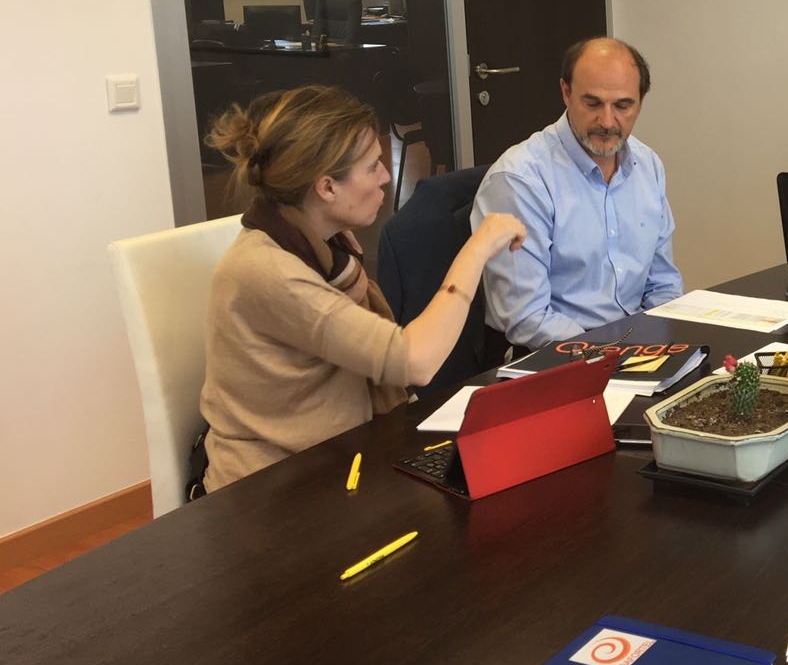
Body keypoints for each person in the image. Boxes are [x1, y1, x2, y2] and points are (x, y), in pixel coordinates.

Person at [200, 85, 527, 492]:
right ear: (327, 188)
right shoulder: (271, 273)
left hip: (343, 454)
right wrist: (476, 250)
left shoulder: (327, 247)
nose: (386, 176)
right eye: (372, 167)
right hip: (275, 487)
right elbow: (416, 361)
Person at [473, 36, 683, 349]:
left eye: (623, 105)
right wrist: (613, 356)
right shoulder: (521, 179)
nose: (607, 121)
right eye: (593, 103)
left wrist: (666, 346)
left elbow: (663, 284)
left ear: (640, 102)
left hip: (636, 348)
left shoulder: (647, 165)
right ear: (566, 93)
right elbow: (527, 318)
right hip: (554, 354)